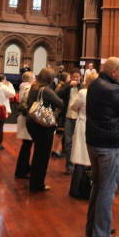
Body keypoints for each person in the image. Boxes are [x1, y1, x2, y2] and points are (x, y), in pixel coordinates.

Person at [86, 56, 119, 237]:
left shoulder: (95, 84)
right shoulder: (113, 89)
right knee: (107, 190)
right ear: (114, 72)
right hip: (109, 145)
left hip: (94, 142)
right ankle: (101, 236)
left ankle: (93, 227)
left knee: (98, 186)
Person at [26, 67, 63, 191]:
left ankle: (34, 182)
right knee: (42, 155)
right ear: (50, 79)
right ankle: (37, 184)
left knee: (38, 153)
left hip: (32, 122)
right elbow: (60, 103)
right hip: (43, 125)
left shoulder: (34, 87)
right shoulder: (46, 90)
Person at [69, 71, 98, 199]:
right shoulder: (101, 94)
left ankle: (76, 189)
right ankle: (91, 188)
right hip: (96, 126)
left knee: (80, 156)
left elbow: (73, 107)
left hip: (83, 125)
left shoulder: (83, 93)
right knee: (92, 157)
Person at [57, 68, 83, 174]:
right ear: (71, 77)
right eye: (74, 77)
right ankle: (69, 166)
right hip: (68, 117)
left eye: (77, 77)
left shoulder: (83, 87)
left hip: (79, 118)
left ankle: (79, 166)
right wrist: (69, 85)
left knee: (80, 142)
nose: (75, 79)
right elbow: (58, 95)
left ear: (80, 77)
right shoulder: (66, 87)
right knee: (68, 142)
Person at [14, 71, 36, 178]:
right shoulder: (27, 89)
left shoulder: (24, 87)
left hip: (24, 118)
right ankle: (22, 171)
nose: (35, 80)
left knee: (26, 145)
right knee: (26, 146)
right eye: (34, 78)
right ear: (30, 79)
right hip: (26, 119)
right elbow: (27, 104)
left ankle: (25, 167)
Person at [51, 71, 70, 157]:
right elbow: (57, 97)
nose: (70, 79)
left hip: (61, 110)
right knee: (59, 132)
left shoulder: (63, 85)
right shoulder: (61, 86)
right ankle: (54, 149)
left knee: (62, 132)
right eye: (68, 77)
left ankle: (63, 150)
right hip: (60, 111)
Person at [0, 74, 15, 150]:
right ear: (3, 79)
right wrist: (10, 85)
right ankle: (0, 144)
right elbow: (12, 94)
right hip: (2, 109)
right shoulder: (4, 87)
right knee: (1, 127)